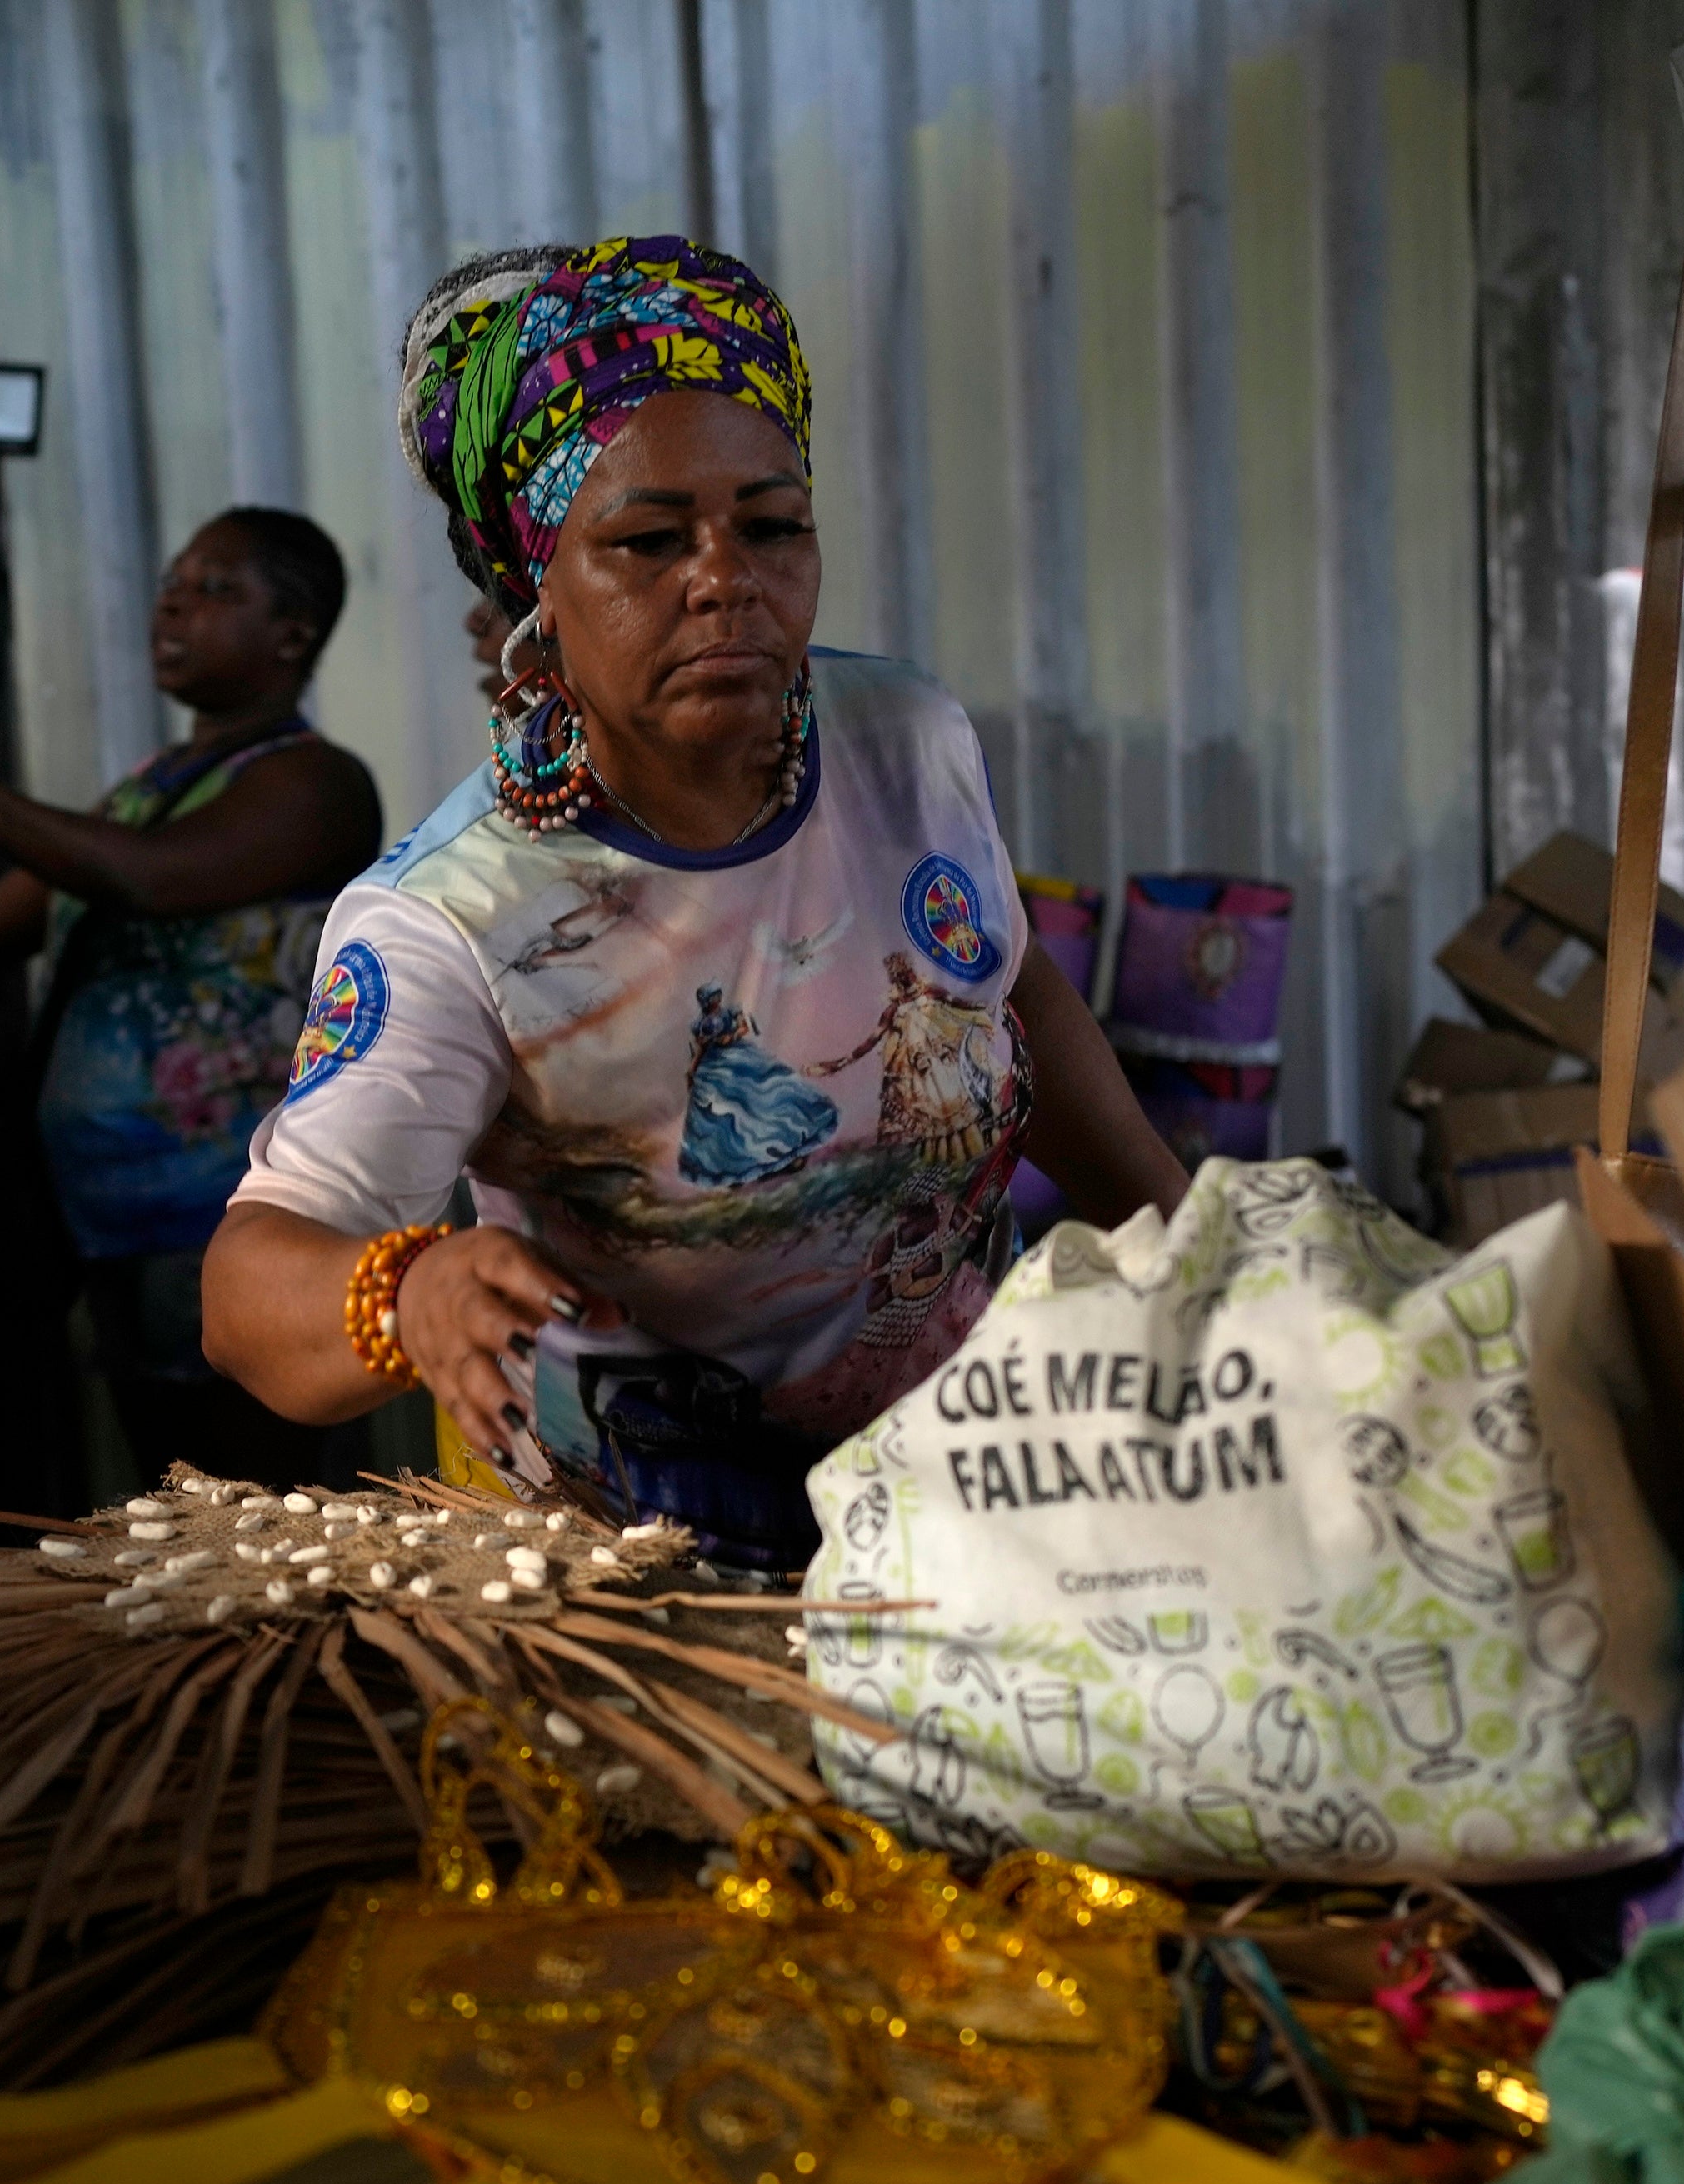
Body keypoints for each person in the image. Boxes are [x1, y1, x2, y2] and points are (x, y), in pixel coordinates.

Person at [202, 239, 1191, 1569]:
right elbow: (247, 1289)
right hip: (661, 1574)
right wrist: (407, 1293)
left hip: (975, 1495)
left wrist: (1186, 1241)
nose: (725, 577)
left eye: (773, 528)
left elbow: (1001, 982)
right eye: (649, 541)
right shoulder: (456, 920)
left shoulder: (900, 733)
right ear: (537, 593)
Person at [0, 509, 384, 1489]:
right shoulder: (156, 783)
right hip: (113, 1211)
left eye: (214, 589)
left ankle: (295, 1647)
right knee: (181, 1485)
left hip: (229, 1208)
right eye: (172, 581)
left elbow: (143, 879)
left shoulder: (313, 783)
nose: (172, 602)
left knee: (264, 1498)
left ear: (291, 635)